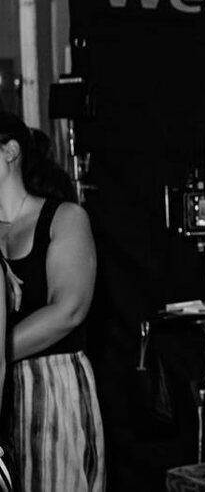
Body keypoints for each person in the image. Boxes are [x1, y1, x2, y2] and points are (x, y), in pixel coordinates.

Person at [0, 114, 105, 492]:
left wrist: (1, 351)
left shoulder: (65, 217)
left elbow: (68, 310)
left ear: (10, 151)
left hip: (51, 385)